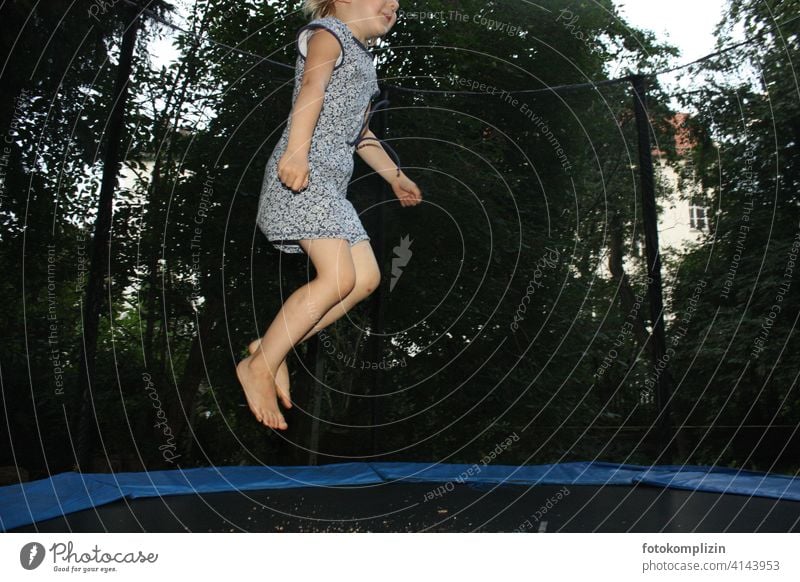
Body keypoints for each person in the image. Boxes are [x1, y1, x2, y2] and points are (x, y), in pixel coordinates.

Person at [237, 0, 422, 430]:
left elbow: (362, 134)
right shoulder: (327, 34)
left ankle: (268, 346)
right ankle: (260, 365)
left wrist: (395, 177)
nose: (394, 3)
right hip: (303, 175)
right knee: (338, 278)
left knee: (366, 280)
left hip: (331, 190)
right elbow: (312, 90)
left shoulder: (365, 60)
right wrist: (297, 153)